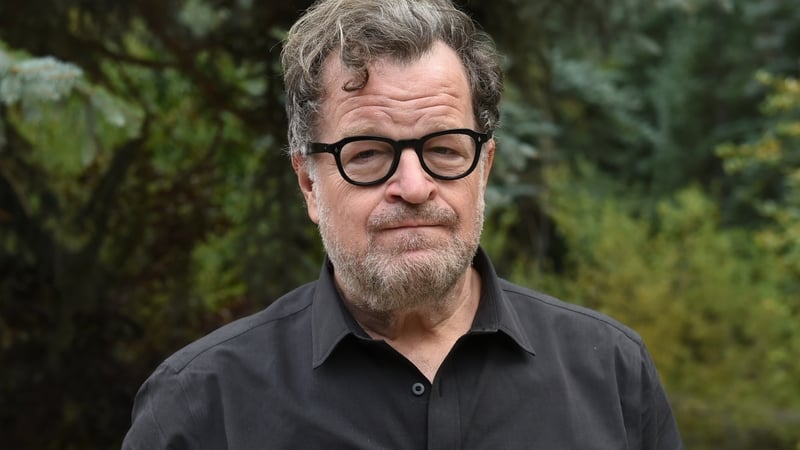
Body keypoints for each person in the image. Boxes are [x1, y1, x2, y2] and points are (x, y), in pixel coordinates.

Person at [122, 0, 683, 448]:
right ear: (309, 183)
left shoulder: (611, 373)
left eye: (443, 148)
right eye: (366, 154)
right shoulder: (200, 406)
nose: (414, 187)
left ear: (483, 168)